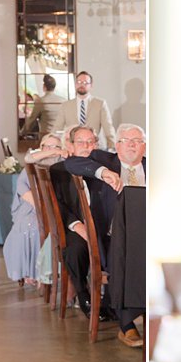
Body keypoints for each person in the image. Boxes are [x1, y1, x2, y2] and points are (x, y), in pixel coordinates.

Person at [64, 123, 149, 347]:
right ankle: (127, 324)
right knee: (122, 255)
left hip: (147, 236)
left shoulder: (152, 168)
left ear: (145, 147)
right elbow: (71, 162)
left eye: (137, 141)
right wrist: (104, 173)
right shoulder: (105, 161)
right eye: (126, 140)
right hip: (111, 237)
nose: (132, 145)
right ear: (117, 146)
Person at [53, 125, 109, 316]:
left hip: (101, 227)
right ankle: (83, 294)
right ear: (70, 145)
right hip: (74, 226)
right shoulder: (58, 171)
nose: (86, 146)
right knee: (76, 249)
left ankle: (111, 301)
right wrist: (77, 226)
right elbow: (57, 205)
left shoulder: (105, 172)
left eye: (90, 142)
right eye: (80, 142)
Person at [5, 132, 64, 285]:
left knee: (43, 227)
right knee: (27, 226)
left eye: (55, 146)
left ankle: (41, 272)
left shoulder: (62, 164)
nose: (51, 149)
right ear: (41, 148)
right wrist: (39, 206)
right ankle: (27, 271)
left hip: (55, 208)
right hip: (31, 205)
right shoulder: (32, 163)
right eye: (47, 146)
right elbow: (22, 187)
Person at [73, 71, 115, 150]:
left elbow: (108, 127)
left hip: (95, 147)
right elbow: (57, 128)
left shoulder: (100, 103)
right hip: (73, 148)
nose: (82, 84)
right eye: (79, 82)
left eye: (85, 82)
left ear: (91, 85)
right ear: (75, 84)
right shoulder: (65, 105)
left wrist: (112, 147)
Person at [21, 74, 67, 141]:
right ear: (54, 87)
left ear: (44, 86)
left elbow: (31, 120)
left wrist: (21, 133)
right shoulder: (63, 100)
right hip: (61, 138)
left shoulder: (41, 101)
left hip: (46, 138)